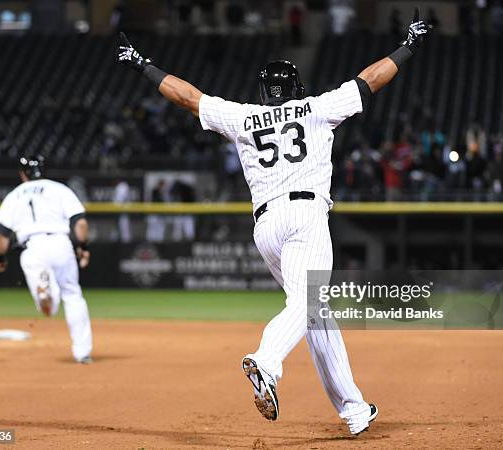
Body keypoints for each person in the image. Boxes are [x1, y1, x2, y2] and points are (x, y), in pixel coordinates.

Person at [117, 8, 430, 435]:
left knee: (315, 311)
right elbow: (370, 79)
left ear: (263, 93)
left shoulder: (244, 118)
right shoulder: (317, 108)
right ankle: (266, 360)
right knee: (305, 304)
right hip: (305, 215)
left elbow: (187, 96)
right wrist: (409, 46)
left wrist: (142, 65)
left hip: (266, 226)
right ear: (297, 88)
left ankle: (354, 409)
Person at [0, 155, 93, 364]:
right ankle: (82, 353)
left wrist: (1, 258)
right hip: (60, 243)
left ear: (23, 174)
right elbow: (80, 223)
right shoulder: (60, 189)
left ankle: (44, 289)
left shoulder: (15, 195)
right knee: (73, 295)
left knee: (48, 309)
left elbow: (2, 235)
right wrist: (83, 247)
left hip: (32, 248)